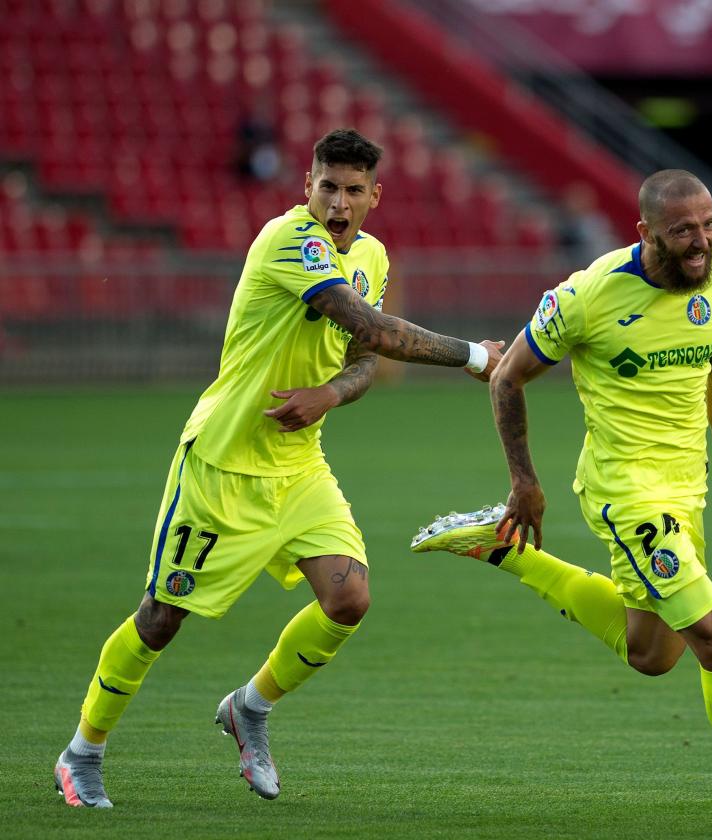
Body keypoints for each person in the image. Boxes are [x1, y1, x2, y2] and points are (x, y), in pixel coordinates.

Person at [54, 129, 504, 808]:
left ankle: (251, 707)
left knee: (349, 598)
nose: (338, 202)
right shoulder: (289, 241)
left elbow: (362, 357)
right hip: (223, 463)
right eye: (328, 186)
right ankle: (82, 754)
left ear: (374, 197)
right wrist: (475, 356)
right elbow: (369, 326)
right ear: (307, 186)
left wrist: (331, 393)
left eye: (354, 190)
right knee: (161, 617)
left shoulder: (373, 257)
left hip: (297, 466)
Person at [412, 170, 712, 833]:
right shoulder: (589, 295)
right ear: (645, 234)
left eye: (709, 226)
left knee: (652, 655)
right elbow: (507, 376)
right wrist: (524, 481)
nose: (701, 243)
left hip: (684, 491)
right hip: (625, 493)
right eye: (683, 233)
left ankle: (505, 552)